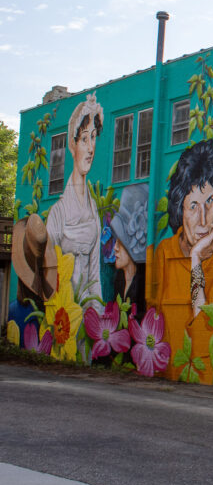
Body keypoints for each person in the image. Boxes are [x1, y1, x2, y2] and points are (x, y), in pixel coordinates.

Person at [150, 140, 213, 384]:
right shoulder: (162, 253)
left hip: (202, 395)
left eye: (209, 202)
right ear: (179, 210)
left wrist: (196, 261)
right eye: (193, 206)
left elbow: (204, 346)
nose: (203, 219)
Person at [45, 93, 103, 312]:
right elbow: (49, 275)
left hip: (88, 317)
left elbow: (95, 277)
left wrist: (97, 318)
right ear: (72, 144)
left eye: (94, 137)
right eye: (84, 138)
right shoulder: (58, 213)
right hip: (63, 314)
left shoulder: (93, 211)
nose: (90, 148)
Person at [109, 183, 149, 318]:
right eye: (116, 241)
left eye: (121, 242)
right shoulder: (118, 281)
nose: (115, 248)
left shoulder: (143, 285)